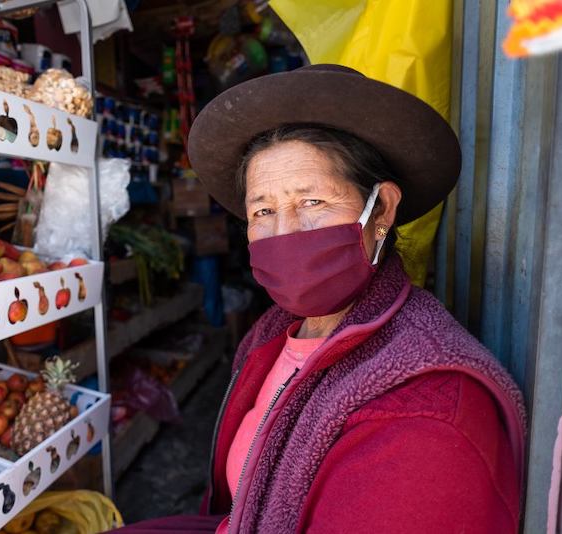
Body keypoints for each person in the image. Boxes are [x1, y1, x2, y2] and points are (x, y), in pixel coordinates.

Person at [108, 65, 526, 534]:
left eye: (312, 204)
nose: (284, 233)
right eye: (263, 210)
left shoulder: (426, 414)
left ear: (382, 209)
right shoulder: (272, 334)